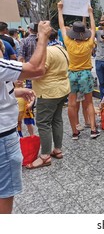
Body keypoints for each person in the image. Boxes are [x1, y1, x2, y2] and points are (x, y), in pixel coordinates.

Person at [0, 20, 51, 214]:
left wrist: (15, 93)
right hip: (3, 136)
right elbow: (37, 69)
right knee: (4, 192)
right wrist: (43, 37)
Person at [26, 29, 70, 169]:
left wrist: (26, 76)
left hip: (48, 92)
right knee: (57, 119)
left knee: (43, 122)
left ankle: (44, 156)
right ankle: (57, 149)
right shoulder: (60, 48)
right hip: (62, 89)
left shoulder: (47, 51)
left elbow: (40, 72)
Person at [57, 1, 100, 139]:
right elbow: (93, 29)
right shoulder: (89, 43)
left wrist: (60, 10)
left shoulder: (68, 42)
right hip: (86, 74)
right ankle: (93, 130)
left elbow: (61, 26)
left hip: (72, 74)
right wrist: (91, 13)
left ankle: (75, 132)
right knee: (88, 103)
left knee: (71, 104)